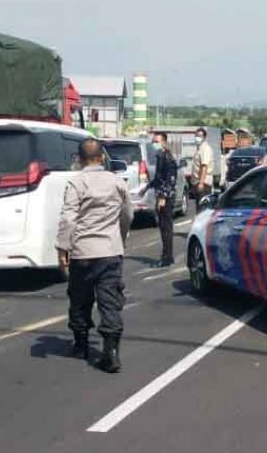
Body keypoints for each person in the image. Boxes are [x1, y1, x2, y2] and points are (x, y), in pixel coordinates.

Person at [57, 138, 134, 373]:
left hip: (83, 252)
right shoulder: (117, 182)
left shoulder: (76, 182)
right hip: (110, 251)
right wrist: (120, 237)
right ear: (102, 157)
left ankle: (81, 345)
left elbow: (68, 218)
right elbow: (127, 214)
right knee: (110, 300)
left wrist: (62, 248)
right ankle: (111, 353)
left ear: (80, 160)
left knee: (79, 298)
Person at [144, 132, 178, 267]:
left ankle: (167, 257)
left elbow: (170, 180)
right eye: (153, 141)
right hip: (160, 195)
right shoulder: (160, 156)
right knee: (163, 227)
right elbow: (158, 178)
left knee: (166, 227)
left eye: (157, 141)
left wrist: (163, 197)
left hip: (166, 197)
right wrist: (146, 188)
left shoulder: (168, 158)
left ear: (164, 142)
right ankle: (166, 256)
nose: (154, 144)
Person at [190, 127, 215, 205]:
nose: (197, 138)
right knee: (199, 206)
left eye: (200, 136)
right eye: (196, 136)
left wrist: (201, 183)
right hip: (198, 182)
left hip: (204, 183)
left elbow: (204, 166)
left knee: (202, 207)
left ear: (204, 137)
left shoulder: (205, 149)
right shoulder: (199, 148)